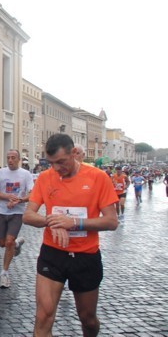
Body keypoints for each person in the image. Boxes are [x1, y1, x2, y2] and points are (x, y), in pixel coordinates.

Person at [23, 133, 118, 337]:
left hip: (85, 256)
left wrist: (74, 223)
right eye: (51, 163)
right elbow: (28, 215)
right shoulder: (46, 177)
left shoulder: (97, 177)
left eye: (61, 162)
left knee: (88, 320)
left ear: (74, 153)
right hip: (53, 254)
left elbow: (111, 221)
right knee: (43, 317)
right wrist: (52, 221)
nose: (56, 168)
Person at [0, 149, 34, 288]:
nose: (10, 160)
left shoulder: (25, 174)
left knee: (8, 242)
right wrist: (8, 197)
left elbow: (33, 194)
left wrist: (19, 200)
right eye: (8, 157)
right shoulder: (0, 173)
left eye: (13, 157)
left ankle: (4, 273)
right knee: (2, 243)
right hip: (1, 211)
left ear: (18, 159)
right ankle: (16, 245)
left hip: (17, 212)